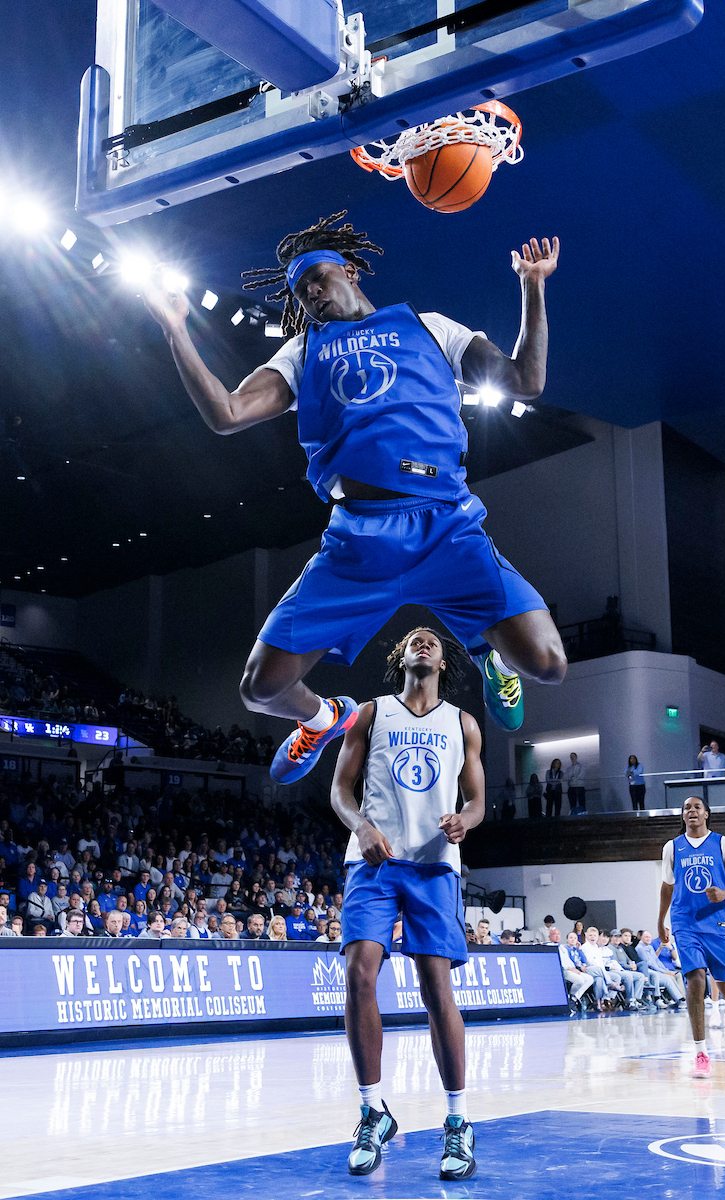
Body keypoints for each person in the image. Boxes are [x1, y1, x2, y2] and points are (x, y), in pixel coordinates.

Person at [143, 212, 566, 787]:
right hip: (358, 541)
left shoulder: (430, 328)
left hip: (446, 527)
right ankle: (324, 720)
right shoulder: (302, 353)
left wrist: (532, 288)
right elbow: (227, 413)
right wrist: (176, 330)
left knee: (548, 664)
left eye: (316, 280)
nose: (310, 295)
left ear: (348, 269)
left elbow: (526, 381)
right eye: (300, 292)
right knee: (260, 688)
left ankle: (492, 658)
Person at [331, 626, 484, 1180]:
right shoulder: (371, 713)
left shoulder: (462, 723)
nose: (423, 642)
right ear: (402, 657)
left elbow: (478, 800)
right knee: (359, 973)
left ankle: (458, 1121)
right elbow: (340, 790)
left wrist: (464, 820)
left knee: (436, 988)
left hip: (435, 864)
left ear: (442, 662)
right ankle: (372, 1111)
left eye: (432, 641)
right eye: (414, 639)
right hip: (374, 859)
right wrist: (361, 826)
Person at [658, 795, 725, 1079]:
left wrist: (723, 894)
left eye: (696, 807)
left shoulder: (724, 844)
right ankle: (701, 1053)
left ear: (706, 814)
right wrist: (660, 920)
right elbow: (667, 887)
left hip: (718, 922)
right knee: (696, 979)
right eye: (686, 808)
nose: (691, 811)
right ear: (683, 816)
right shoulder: (672, 847)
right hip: (685, 921)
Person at [636, 932, 685, 1006]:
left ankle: (683, 997)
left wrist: (666, 970)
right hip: (651, 973)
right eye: (646, 937)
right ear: (641, 938)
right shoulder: (640, 948)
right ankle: (679, 999)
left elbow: (657, 961)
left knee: (678, 975)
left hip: (661, 970)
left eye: (649, 937)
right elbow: (650, 964)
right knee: (669, 978)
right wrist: (664, 972)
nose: (648, 939)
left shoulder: (649, 947)